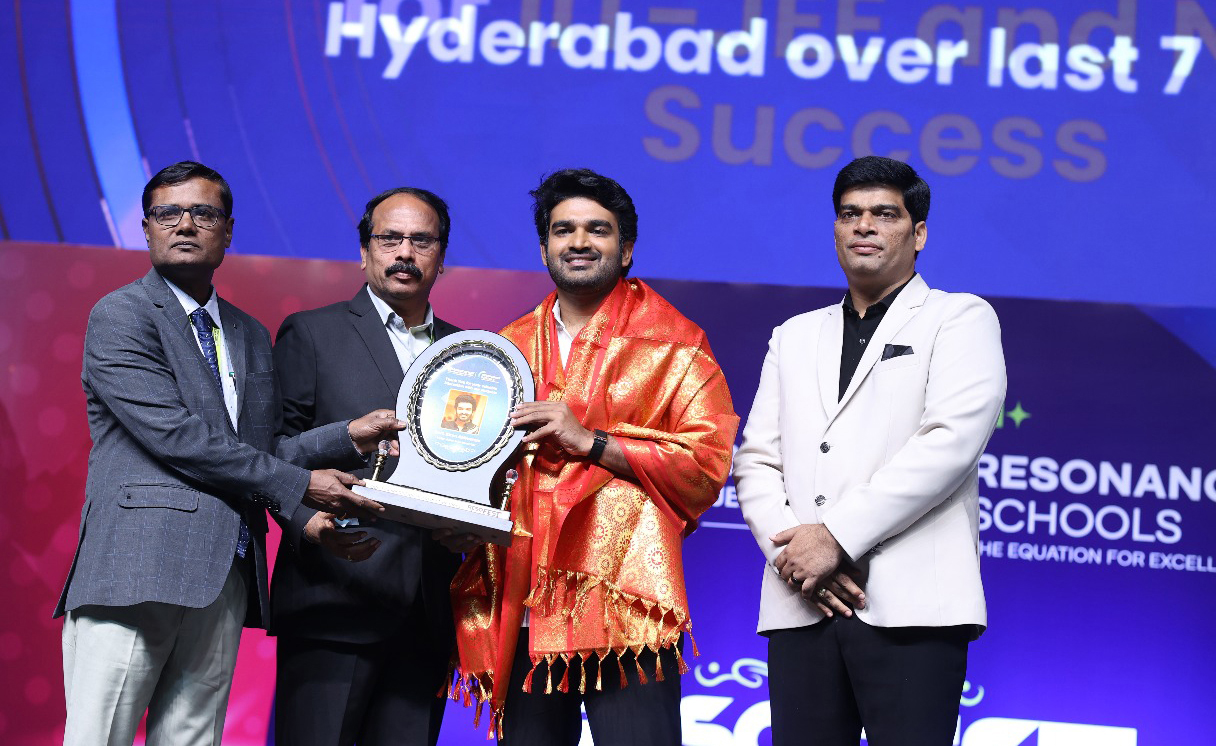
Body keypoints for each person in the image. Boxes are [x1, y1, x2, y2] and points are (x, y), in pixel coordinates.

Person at [54, 161, 400, 746]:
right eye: (168, 212)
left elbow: (258, 450)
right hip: (136, 569)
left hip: (225, 574)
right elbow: (179, 438)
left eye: (203, 213)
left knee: (193, 738)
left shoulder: (248, 333)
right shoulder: (121, 315)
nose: (185, 224)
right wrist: (302, 486)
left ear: (229, 230)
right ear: (146, 227)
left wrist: (346, 437)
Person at [449, 168, 739, 744]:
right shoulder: (505, 348)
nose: (578, 241)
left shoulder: (677, 342)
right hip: (526, 598)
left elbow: (706, 464)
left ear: (626, 250)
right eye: (563, 230)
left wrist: (591, 442)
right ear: (544, 249)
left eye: (597, 230)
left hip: (629, 606)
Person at [733, 156, 1007, 746]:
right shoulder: (794, 334)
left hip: (912, 605)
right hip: (802, 601)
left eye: (885, 214)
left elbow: (949, 444)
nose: (864, 226)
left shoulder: (959, 318)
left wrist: (834, 537)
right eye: (850, 214)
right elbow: (756, 460)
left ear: (919, 233)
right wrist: (795, 557)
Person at [270, 187, 464, 746]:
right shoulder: (312, 332)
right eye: (389, 238)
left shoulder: (469, 353)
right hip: (333, 595)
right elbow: (267, 453)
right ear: (364, 252)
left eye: (421, 241)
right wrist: (309, 516)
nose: (405, 252)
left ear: (441, 257)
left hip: (428, 608)